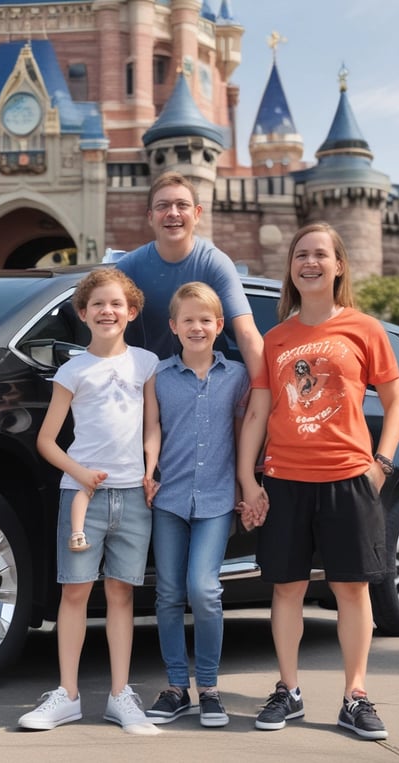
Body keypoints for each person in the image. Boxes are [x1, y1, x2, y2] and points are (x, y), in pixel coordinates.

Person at [236, 221, 399, 741]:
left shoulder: (365, 329)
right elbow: (259, 410)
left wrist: (380, 464)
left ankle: (355, 696)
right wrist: (249, 478)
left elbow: (395, 403)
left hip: (349, 476)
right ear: (292, 267)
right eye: (300, 255)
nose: (309, 262)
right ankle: (288, 690)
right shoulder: (276, 337)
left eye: (319, 254)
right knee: (286, 588)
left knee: (351, 589)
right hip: (285, 478)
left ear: (337, 266)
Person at [17, 268, 160, 734]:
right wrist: (79, 474)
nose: (107, 311)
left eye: (116, 304)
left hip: (133, 494)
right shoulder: (72, 369)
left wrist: (150, 468)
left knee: (121, 593)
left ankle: (121, 695)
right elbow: (47, 440)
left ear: (131, 312)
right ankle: (68, 695)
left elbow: (152, 426)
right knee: (74, 592)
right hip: (81, 494)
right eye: (97, 304)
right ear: (83, 313)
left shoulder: (145, 363)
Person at [142, 282, 250, 727]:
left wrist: (247, 483)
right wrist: (149, 471)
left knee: (204, 590)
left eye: (205, 320)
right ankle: (174, 687)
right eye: (188, 319)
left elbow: (247, 427)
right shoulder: (159, 377)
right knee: (168, 593)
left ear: (219, 325)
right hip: (169, 497)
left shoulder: (237, 375)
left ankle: (208, 687)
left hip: (217, 498)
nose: (197, 327)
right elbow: (152, 429)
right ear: (173, 326)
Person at [116, 170, 263, 378]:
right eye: (163, 206)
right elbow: (104, 332)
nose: (173, 213)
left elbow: (246, 334)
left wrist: (260, 389)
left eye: (182, 205)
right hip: (145, 393)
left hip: (209, 391)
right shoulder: (128, 269)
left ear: (197, 214)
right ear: (150, 217)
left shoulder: (214, 263)